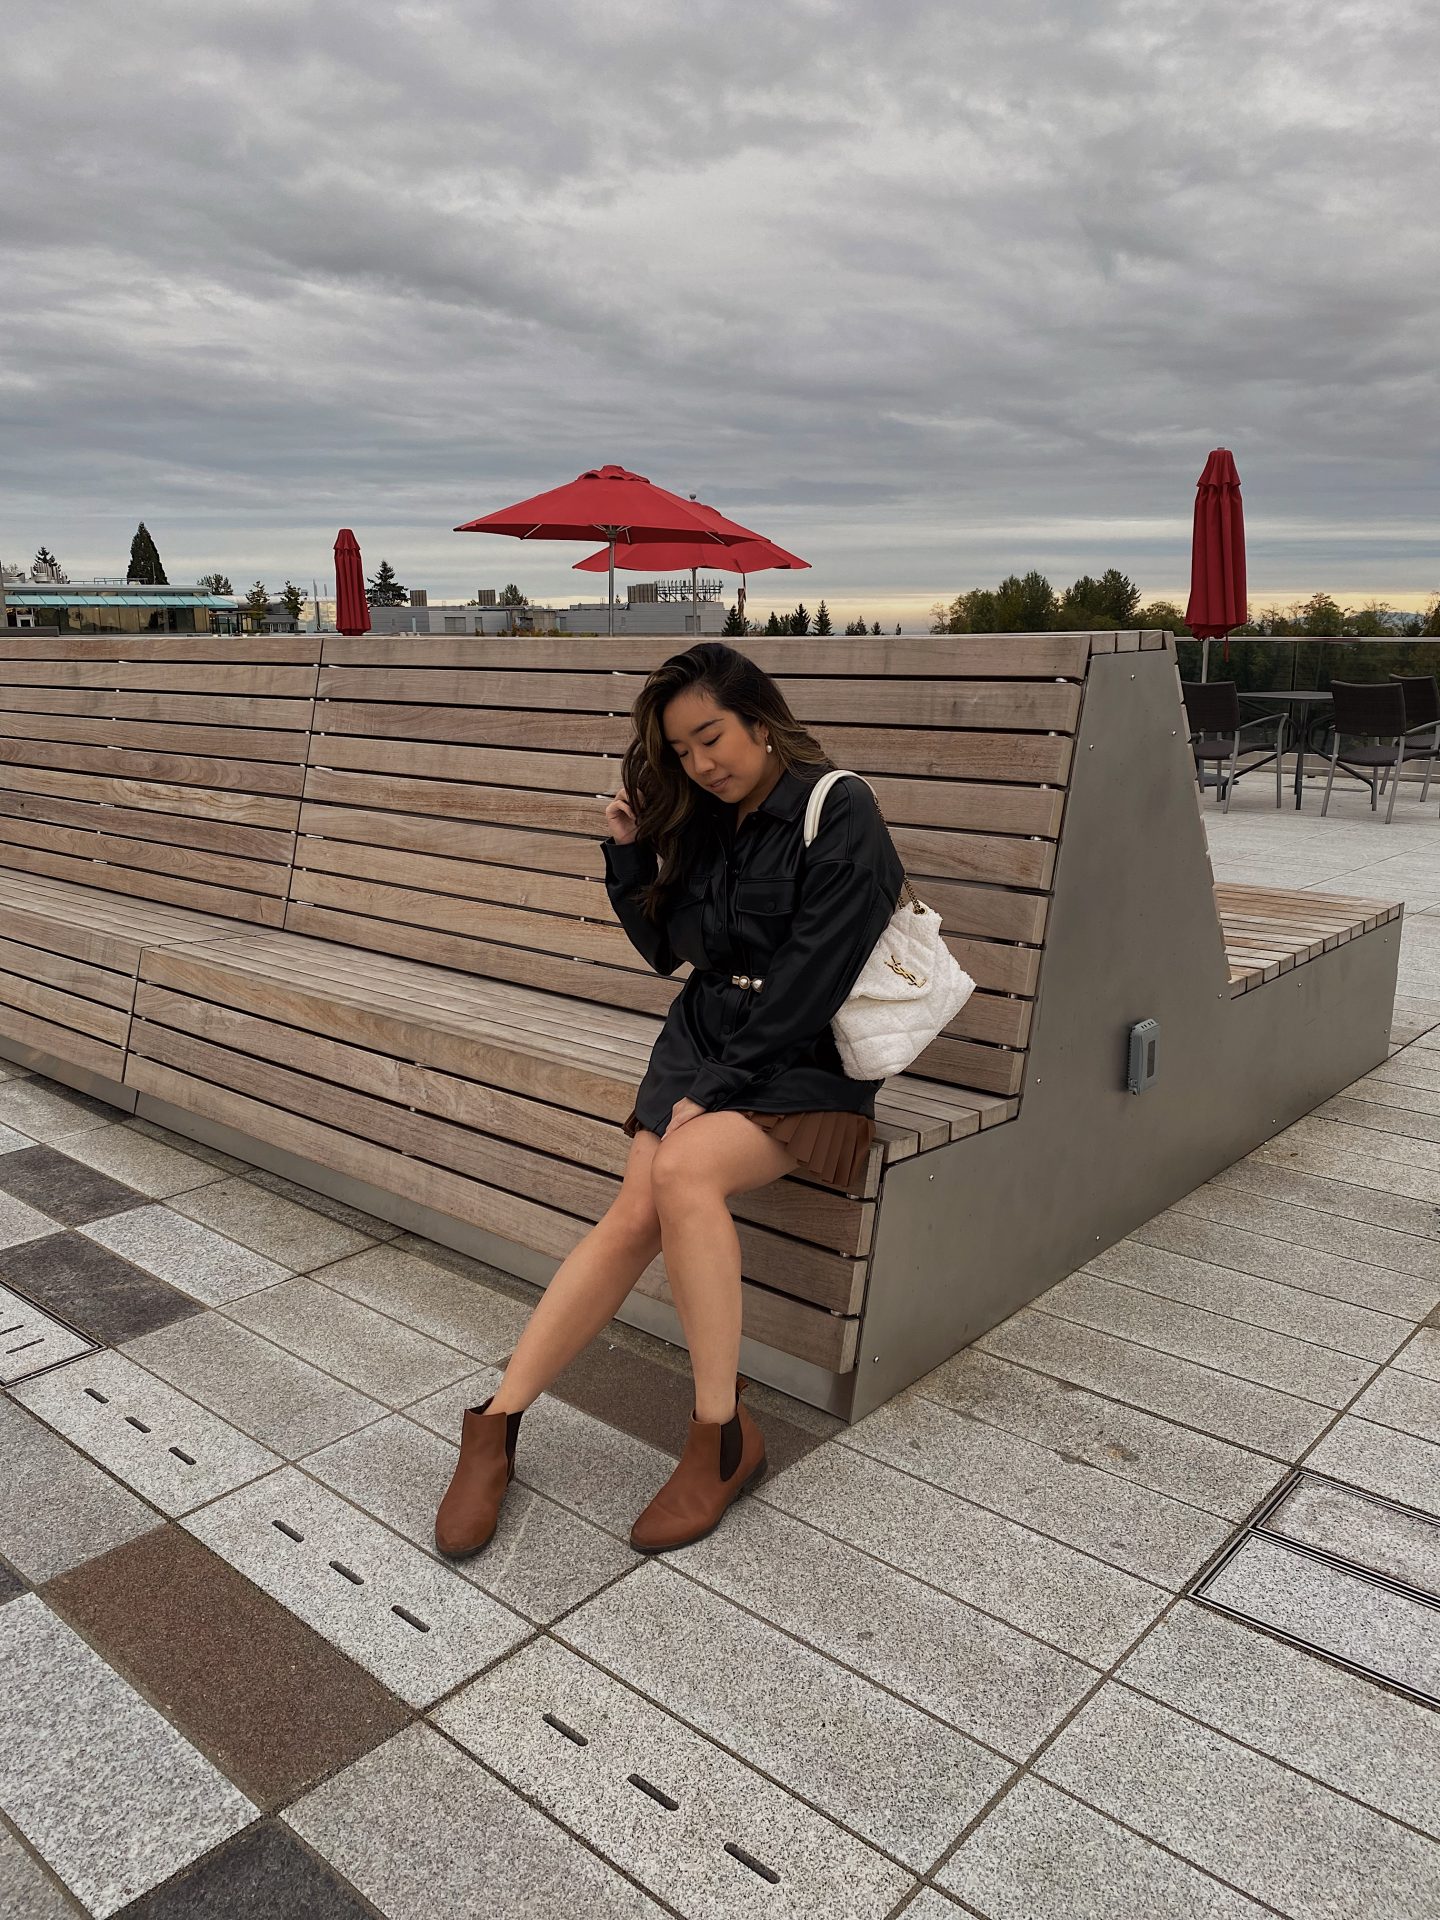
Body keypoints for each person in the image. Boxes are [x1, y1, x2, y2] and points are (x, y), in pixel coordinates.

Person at [435, 642, 904, 1558]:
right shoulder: (703, 815)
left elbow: (813, 978)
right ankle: (494, 1424)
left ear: (757, 718)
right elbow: (671, 954)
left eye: (711, 738)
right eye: (681, 751)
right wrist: (630, 855)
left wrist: (716, 1093)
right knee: (633, 1213)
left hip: (805, 1059)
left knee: (683, 1168)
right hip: (704, 1038)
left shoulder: (837, 808)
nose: (701, 764)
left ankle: (718, 1438)